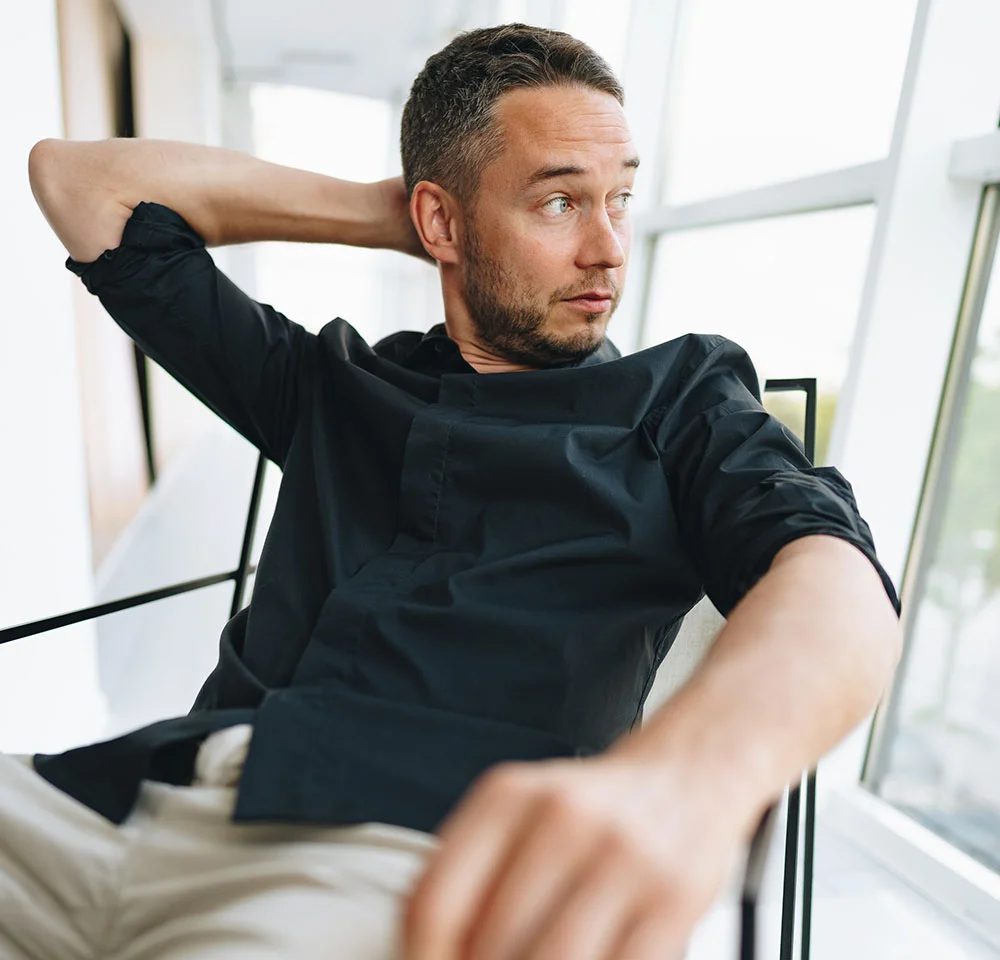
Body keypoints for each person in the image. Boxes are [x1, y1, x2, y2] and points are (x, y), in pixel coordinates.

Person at [11, 21, 901, 960]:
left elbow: (836, 578)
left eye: (622, 199)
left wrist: (688, 782)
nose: (608, 249)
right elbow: (77, 182)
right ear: (438, 219)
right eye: (560, 202)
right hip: (133, 794)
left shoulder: (681, 405)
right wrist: (396, 217)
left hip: (400, 857)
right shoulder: (332, 383)